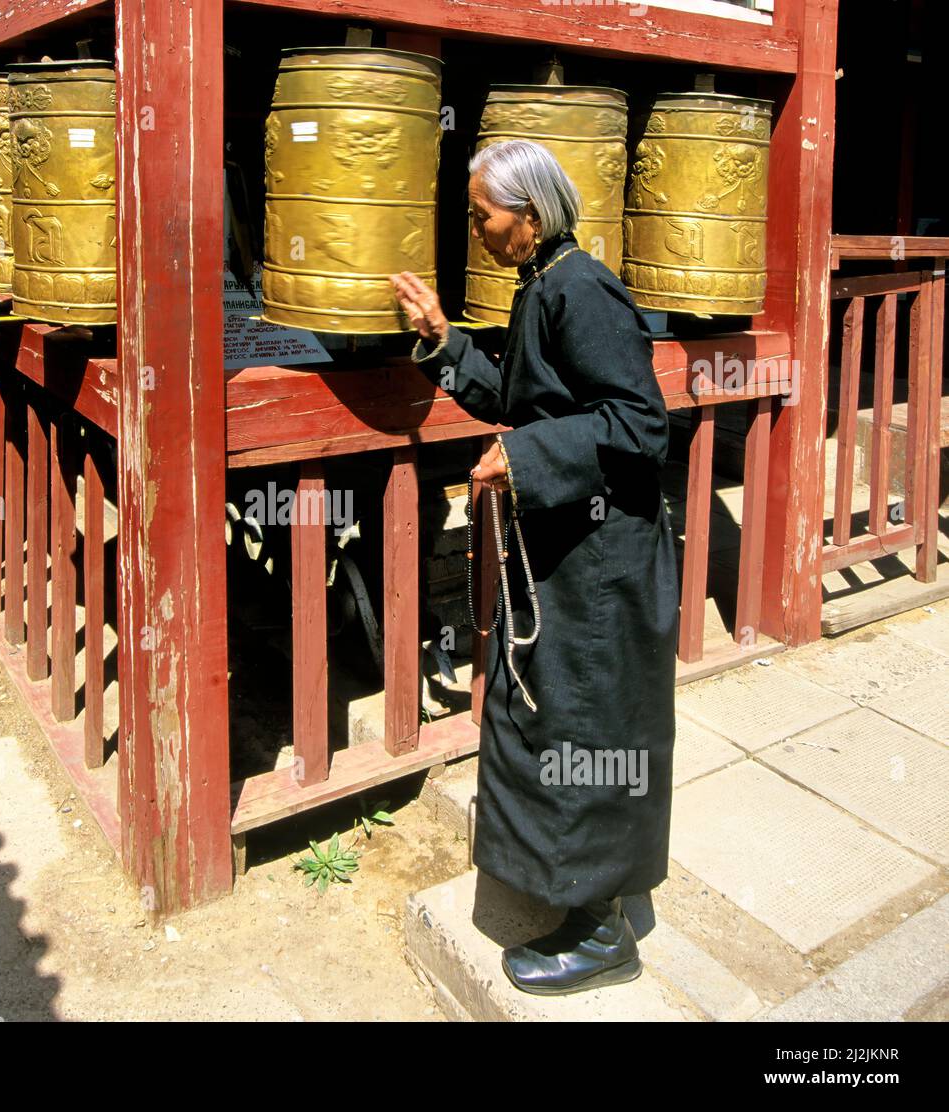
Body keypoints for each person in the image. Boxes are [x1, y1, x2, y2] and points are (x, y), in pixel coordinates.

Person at [389, 138, 680, 996]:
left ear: (528, 214)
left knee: (587, 729)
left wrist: (525, 458)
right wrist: (443, 344)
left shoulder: (581, 288)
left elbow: (640, 424)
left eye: (483, 215)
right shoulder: (542, 286)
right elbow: (524, 401)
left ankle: (601, 932)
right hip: (567, 551)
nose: (476, 230)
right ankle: (572, 884)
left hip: (603, 565)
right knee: (547, 717)